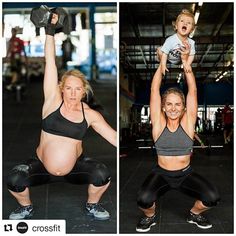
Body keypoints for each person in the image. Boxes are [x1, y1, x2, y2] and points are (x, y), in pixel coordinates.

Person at [7, 13, 116, 221]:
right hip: (41, 166)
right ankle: (26, 207)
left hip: (75, 168)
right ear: (61, 89)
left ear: (83, 91)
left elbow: (113, 137)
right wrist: (50, 30)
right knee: (14, 179)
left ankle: (92, 205)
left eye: (77, 89)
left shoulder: (90, 114)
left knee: (102, 174)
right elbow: (50, 62)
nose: (73, 93)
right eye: (68, 88)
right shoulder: (52, 101)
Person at [136, 45, 220, 232]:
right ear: (163, 107)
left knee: (212, 197)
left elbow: (193, 91)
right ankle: (150, 216)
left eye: (178, 104)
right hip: (161, 174)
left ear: (183, 108)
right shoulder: (158, 122)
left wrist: (185, 62)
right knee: (143, 200)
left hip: (186, 173)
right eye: (169, 104)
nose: (173, 108)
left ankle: (194, 213)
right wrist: (161, 63)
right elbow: (154, 89)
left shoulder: (188, 122)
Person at [157, 9, 195, 76]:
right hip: (169, 58)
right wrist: (163, 64)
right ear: (176, 26)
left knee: (189, 53)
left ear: (191, 30)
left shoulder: (191, 42)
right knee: (160, 49)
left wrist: (187, 64)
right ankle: (161, 63)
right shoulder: (170, 40)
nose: (185, 23)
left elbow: (192, 55)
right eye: (182, 21)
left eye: (189, 23)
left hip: (180, 60)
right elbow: (165, 53)